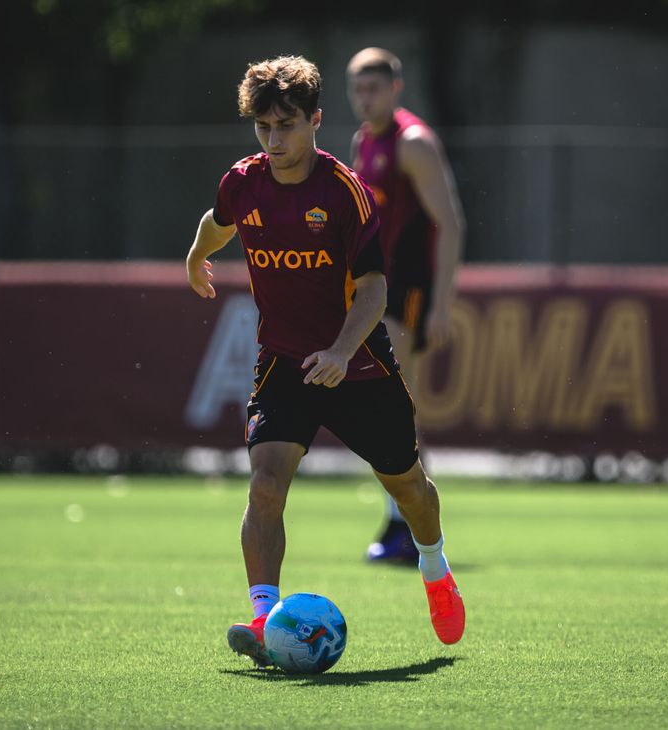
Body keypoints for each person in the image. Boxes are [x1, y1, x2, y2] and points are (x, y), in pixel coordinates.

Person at [185, 54, 465, 667]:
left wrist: (341, 351)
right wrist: (194, 256)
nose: (274, 140)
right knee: (264, 487)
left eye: (286, 125)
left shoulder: (344, 192)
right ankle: (263, 619)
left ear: (315, 120)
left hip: (357, 361)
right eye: (263, 128)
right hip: (284, 362)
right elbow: (218, 221)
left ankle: (435, 569)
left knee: (410, 487)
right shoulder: (242, 180)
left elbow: (373, 290)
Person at [346, 48, 466, 565]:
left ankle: (407, 526)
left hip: (409, 293)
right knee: (388, 409)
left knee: (396, 406)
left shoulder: (412, 143)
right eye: (358, 88)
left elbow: (451, 222)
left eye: (374, 88)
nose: (365, 97)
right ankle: (405, 521)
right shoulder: (363, 142)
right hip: (377, 292)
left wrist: (441, 304)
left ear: (395, 89)